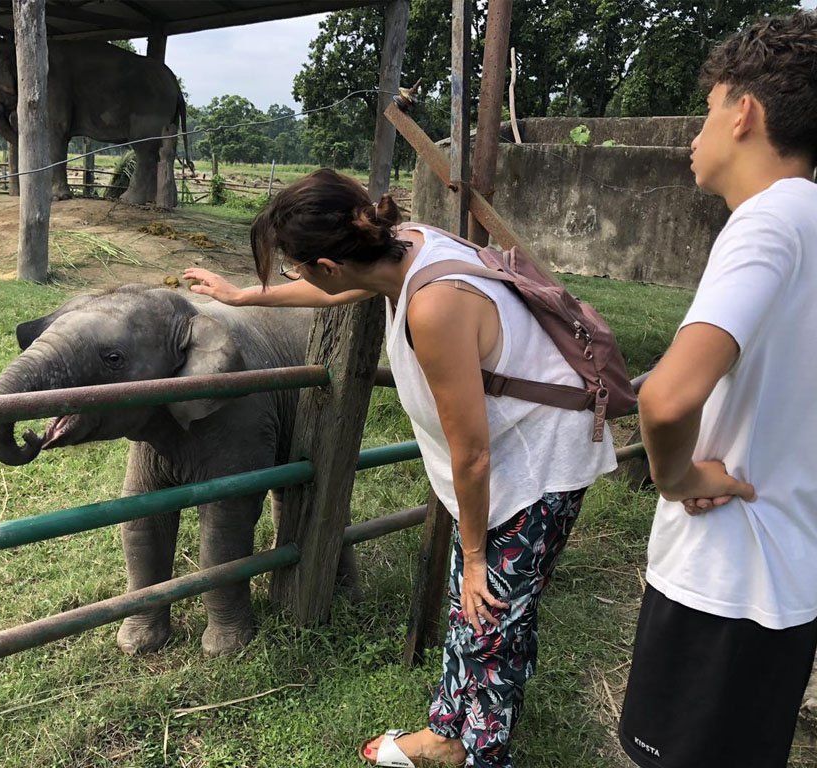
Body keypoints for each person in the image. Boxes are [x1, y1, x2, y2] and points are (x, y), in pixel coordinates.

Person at [184, 168, 617, 767]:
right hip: (509, 451)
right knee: (481, 612)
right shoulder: (401, 243)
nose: (295, 277)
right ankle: (445, 735)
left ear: (331, 263)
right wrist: (243, 296)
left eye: (294, 266)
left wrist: (470, 558)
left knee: (490, 615)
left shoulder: (435, 306)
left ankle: (483, 756)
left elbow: (473, 452)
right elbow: (336, 289)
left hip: (536, 462)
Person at [617, 11, 817, 768]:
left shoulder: (767, 222)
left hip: (724, 576)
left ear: (746, 113)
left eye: (705, 113)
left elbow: (667, 398)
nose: (692, 139)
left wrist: (675, 474)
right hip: (791, 577)